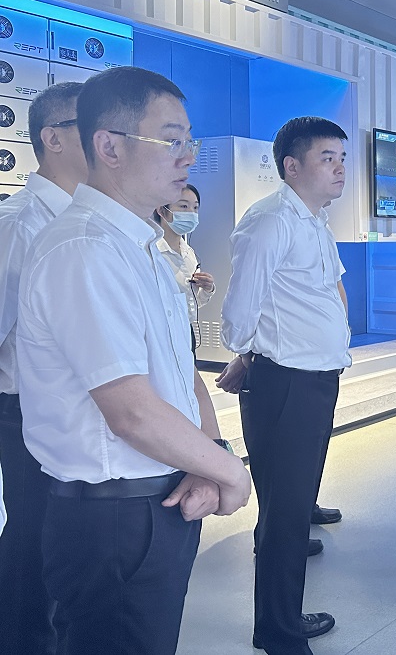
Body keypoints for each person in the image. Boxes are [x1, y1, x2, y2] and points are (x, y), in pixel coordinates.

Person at [16, 66, 251, 655]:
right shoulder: (85, 249)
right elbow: (132, 412)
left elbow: (181, 373)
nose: (188, 156)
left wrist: (210, 455)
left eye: (190, 140)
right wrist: (231, 472)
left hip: (163, 496)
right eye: (170, 140)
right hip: (113, 519)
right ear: (110, 146)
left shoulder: (142, 245)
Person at [216, 116, 351, 654]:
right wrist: (250, 354)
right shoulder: (270, 221)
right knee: (284, 514)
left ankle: (281, 616)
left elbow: (328, 289)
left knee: (293, 508)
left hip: (314, 378)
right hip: (286, 382)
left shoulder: (314, 220)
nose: (340, 168)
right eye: (327, 158)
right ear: (292, 166)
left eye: (342, 158)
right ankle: (279, 631)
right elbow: (239, 311)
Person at [0, 81, 87, 655]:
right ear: (52, 138)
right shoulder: (19, 222)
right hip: (26, 412)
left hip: (79, 411)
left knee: (63, 546)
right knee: (33, 543)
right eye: (92, 126)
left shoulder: (90, 220)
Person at [154, 183, 215, 354]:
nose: (191, 213)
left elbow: (191, 303)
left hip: (186, 332)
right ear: (162, 210)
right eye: (183, 206)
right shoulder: (152, 253)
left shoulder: (188, 252)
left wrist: (207, 289)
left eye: (195, 208)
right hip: (161, 335)